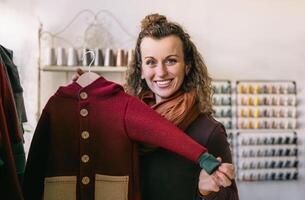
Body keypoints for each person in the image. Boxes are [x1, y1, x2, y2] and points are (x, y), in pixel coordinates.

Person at [125, 13, 239, 200]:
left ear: (187, 66)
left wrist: (206, 192)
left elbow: (230, 197)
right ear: (141, 70)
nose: (161, 72)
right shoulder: (129, 123)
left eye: (171, 60)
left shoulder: (209, 131)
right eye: (151, 62)